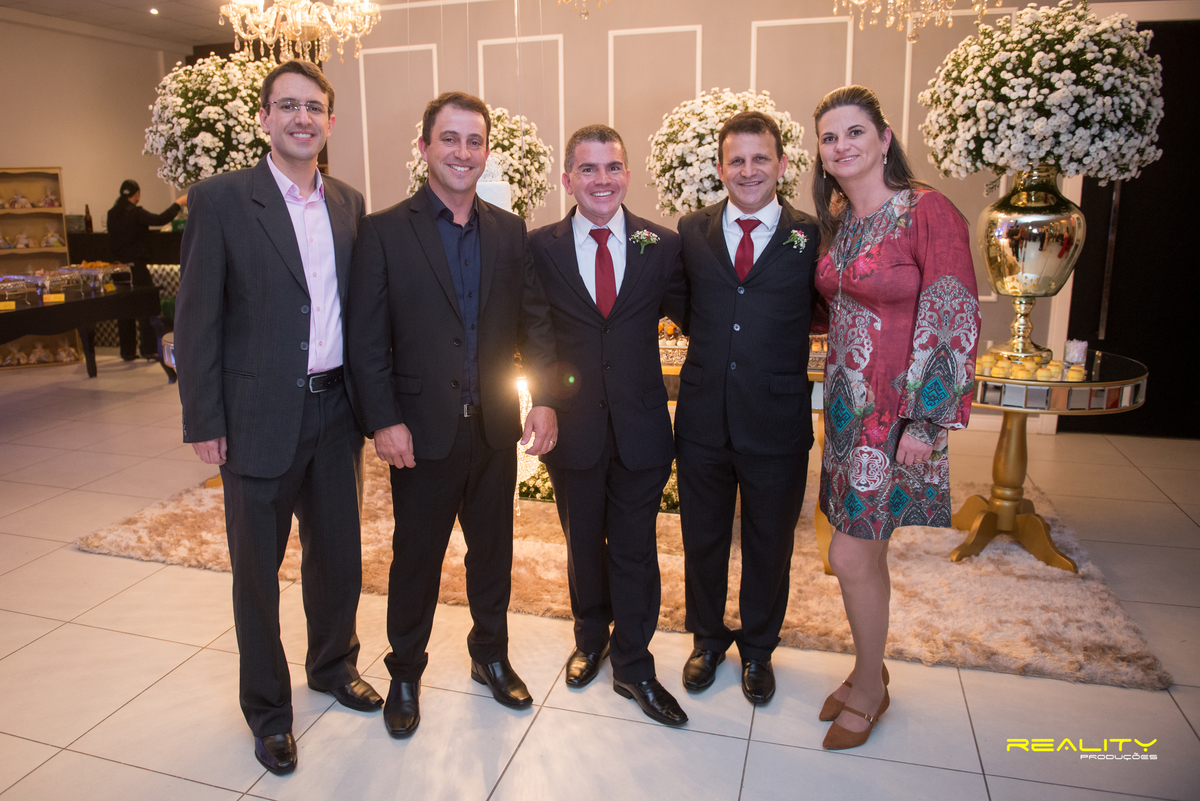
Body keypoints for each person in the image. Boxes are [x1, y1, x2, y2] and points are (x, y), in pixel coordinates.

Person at [175, 60, 381, 776]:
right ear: (264, 118)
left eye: (313, 107)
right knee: (257, 573)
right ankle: (268, 710)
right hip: (256, 415)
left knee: (339, 556)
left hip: (336, 410)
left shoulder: (349, 202)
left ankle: (333, 665)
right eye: (287, 105)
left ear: (330, 122)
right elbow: (196, 317)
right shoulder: (221, 200)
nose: (301, 117)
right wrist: (203, 416)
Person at [345, 91, 558, 739]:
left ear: (485, 151)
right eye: (449, 139)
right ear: (425, 147)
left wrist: (545, 397)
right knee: (417, 558)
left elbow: (534, 323)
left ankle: (489, 655)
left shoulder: (509, 231)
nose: (462, 152)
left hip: (493, 427)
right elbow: (365, 338)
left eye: (474, 141)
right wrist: (383, 419)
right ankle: (405, 671)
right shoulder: (384, 231)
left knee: (493, 553)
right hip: (419, 431)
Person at [810, 85, 979, 750]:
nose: (842, 145)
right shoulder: (840, 222)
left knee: (848, 553)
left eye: (855, 131)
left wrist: (928, 421)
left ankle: (871, 690)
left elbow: (953, 308)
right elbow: (833, 306)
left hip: (897, 420)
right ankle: (866, 668)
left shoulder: (926, 211)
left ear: (884, 139)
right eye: (829, 137)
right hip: (845, 417)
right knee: (865, 548)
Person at [529, 125, 688, 726]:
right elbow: (535, 333)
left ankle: (634, 663)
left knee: (633, 548)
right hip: (573, 428)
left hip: (641, 426)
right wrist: (543, 398)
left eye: (613, 167)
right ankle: (590, 637)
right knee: (582, 543)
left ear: (627, 173)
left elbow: (700, 317)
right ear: (567, 179)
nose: (602, 180)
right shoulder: (539, 247)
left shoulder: (662, 245)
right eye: (589, 169)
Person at [674, 111, 820, 706]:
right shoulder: (692, 230)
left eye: (761, 158)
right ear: (720, 168)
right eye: (737, 160)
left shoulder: (810, 234)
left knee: (769, 541)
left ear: (781, 165)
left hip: (777, 419)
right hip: (703, 417)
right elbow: (684, 306)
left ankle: (759, 649)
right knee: (702, 537)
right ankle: (707, 640)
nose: (749, 170)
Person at [106, 179, 187, 360]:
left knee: (123, 309)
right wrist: (178, 203)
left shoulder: (112, 214)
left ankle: (127, 351)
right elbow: (159, 220)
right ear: (137, 194)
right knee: (145, 306)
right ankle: (149, 349)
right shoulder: (135, 213)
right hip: (136, 266)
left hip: (117, 268)